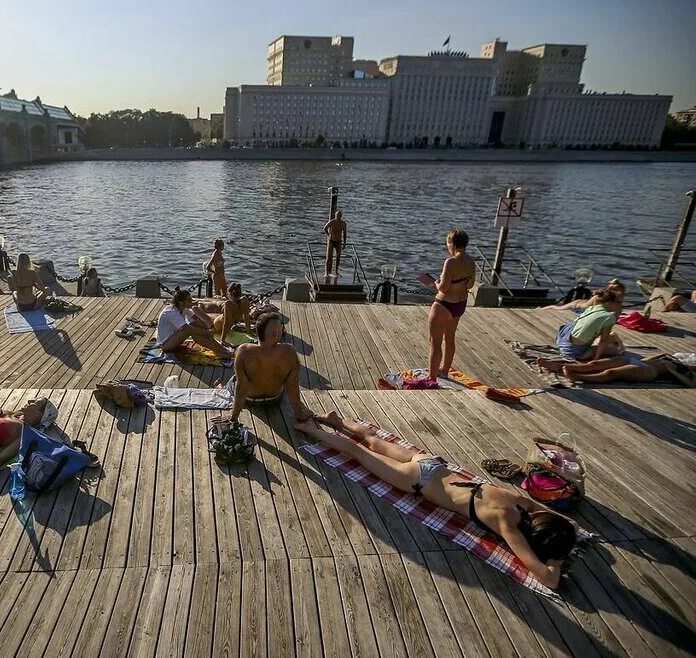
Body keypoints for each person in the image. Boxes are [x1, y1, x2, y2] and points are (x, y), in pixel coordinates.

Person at [296, 411, 577, 589]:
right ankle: (313, 430)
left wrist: (563, 528)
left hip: (429, 463)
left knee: (372, 440)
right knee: (359, 453)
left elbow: (569, 523)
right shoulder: (508, 527)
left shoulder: (518, 501)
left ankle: (338, 421)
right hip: (416, 480)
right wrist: (555, 557)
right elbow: (549, 579)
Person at [218, 313, 313, 422]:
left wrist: (233, 417)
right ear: (276, 334)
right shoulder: (289, 352)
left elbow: (241, 387)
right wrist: (299, 413)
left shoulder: (243, 351)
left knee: (234, 380)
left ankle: (221, 388)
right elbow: (292, 384)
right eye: (281, 329)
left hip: (250, 400)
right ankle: (222, 387)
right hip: (274, 399)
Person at [427, 229, 476, 380]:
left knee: (435, 342)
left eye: (448, 244)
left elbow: (443, 288)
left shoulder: (451, 262)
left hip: (444, 305)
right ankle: (444, 370)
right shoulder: (471, 261)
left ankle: (431, 378)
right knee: (449, 339)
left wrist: (436, 283)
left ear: (452, 244)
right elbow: (470, 285)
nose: (447, 247)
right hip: (460, 304)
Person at [155, 288, 233, 358]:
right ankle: (217, 351)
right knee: (189, 330)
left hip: (174, 338)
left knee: (195, 324)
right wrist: (206, 332)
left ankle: (220, 348)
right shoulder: (171, 312)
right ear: (181, 303)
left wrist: (207, 327)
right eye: (189, 300)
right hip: (166, 344)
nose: (191, 301)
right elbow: (187, 329)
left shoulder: (183, 308)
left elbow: (196, 319)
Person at [540, 352, 696, 386]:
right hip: (642, 362)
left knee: (611, 373)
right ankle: (560, 366)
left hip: (650, 372)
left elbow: (692, 384)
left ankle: (578, 377)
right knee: (594, 364)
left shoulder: (688, 371)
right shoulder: (679, 359)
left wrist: (672, 370)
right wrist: (662, 356)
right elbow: (647, 359)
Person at [555, 287, 624, 362]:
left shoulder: (591, 308)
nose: (620, 306)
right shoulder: (608, 317)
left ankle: (614, 339)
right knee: (615, 351)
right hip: (573, 353)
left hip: (561, 341)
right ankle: (620, 348)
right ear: (610, 302)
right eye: (618, 303)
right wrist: (596, 357)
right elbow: (603, 340)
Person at [542, 278, 626, 311]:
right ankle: (542, 309)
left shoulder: (616, 297)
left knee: (558, 307)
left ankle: (543, 308)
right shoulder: (599, 297)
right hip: (577, 305)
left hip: (582, 302)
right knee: (558, 308)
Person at [323, 210, 347, 277]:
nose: (339, 217)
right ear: (335, 216)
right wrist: (328, 235)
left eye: (340, 216)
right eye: (337, 215)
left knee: (338, 257)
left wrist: (344, 243)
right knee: (329, 257)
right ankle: (326, 272)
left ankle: (336, 272)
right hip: (331, 240)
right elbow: (325, 228)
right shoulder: (332, 222)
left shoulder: (343, 223)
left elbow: (345, 234)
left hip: (339, 241)